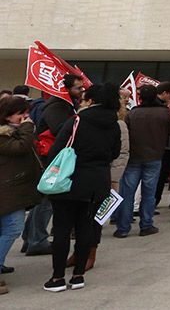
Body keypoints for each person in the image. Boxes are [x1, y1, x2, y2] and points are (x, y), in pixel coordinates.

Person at [44, 82, 121, 293]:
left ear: (91, 100)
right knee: (87, 228)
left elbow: (58, 149)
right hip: (98, 182)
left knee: (61, 229)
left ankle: (57, 277)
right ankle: (78, 276)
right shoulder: (114, 123)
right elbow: (115, 152)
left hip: (70, 180)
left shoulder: (78, 120)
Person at [23, 74, 83, 258]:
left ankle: (31, 238)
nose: (81, 91)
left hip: (52, 158)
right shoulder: (58, 106)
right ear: (66, 89)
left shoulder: (63, 105)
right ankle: (37, 240)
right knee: (46, 201)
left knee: (43, 199)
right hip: (51, 159)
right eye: (77, 88)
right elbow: (61, 130)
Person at [114, 85, 170, 237]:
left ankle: (123, 228)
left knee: (127, 193)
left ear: (140, 98)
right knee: (149, 193)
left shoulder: (132, 114)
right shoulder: (164, 112)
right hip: (155, 156)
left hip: (134, 157)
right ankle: (146, 224)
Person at [0, 97, 41, 293]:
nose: (25, 117)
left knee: (6, 229)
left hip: (12, 188)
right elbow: (20, 148)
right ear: (7, 115)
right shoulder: (4, 135)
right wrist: (27, 129)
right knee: (13, 228)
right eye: (21, 114)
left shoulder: (14, 132)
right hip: (7, 190)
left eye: (27, 113)